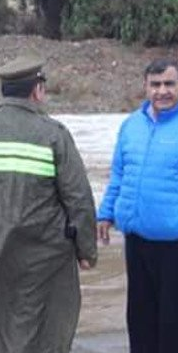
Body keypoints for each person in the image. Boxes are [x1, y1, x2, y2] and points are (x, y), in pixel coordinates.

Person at [0, 56, 97, 353]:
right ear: (37, 90)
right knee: (45, 325)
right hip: (45, 254)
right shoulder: (53, 134)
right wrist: (86, 250)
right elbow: (78, 197)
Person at [98, 59, 178, 353]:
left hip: (174, 245)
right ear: (145, 87)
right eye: (155, 84)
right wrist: (106, 213)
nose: (162, 91)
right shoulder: (131, 125)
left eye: (169, 84)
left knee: (172, 325)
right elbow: (119, 174)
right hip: (137, 240)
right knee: (140, 318)